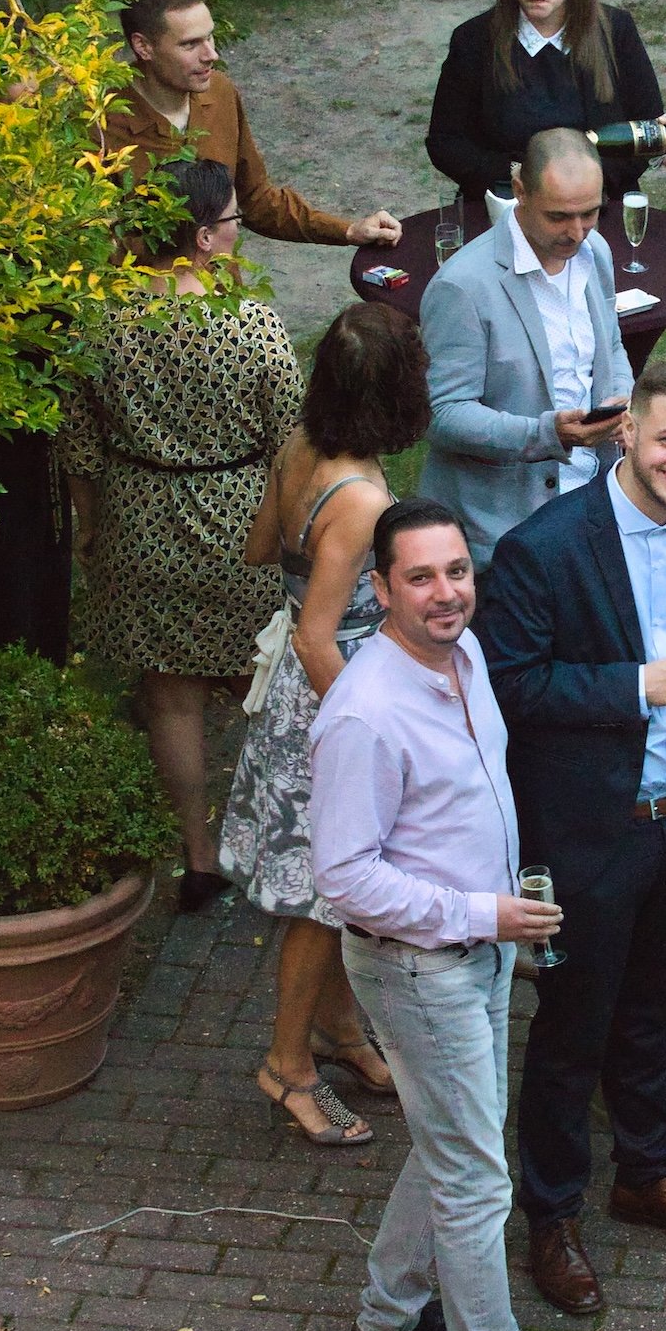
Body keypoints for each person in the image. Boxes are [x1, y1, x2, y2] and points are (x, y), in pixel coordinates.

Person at [308, 497, 630, 1331]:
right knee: (476, 1185)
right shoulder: (363, 712)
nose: (445, 592)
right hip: (420, 968)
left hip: (477, 954)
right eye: (420, 577)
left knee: (455, 1143)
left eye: (456, 571)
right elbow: (345, 877)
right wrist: (481, 915)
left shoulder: (467, 655)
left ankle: (387, 1316)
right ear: (380, 590)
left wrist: (498, 917)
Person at [477, 362, 666, 1318]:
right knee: (570, 1032)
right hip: (597, 833)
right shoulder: (544, 549)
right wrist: (634, 687)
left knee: (649, 1011)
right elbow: (510, 688)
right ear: (626, 434)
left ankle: (645, 1175)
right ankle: (549, 1217)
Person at [57, 160, 302, 909]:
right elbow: (289, 433)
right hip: (241, 525)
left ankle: (199, 858)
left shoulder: (101, 319)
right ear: (201, 237)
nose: (239, 234)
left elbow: (77, 439)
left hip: (138, 519)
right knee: (263, 686)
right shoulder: (250, 321)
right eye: (233, 223)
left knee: (169, 699)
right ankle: (285, 841)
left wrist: (90, 524)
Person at [220, 301, 432, 1149]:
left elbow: (257, 548)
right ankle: (287, 1066)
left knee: (329, 892)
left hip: (289, 704)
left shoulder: (298, 448)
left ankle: (342, 1033)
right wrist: (362, 737)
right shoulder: (365, 500)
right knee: (321, 897)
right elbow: (317, 634)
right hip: (330, 697)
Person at [419, 128, 631, 567]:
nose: (576, 233)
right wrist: (547, 434)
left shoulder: (597, 253)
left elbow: (610, 343)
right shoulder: (463, 287)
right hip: (505, 534)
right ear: (519, 191)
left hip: (592, 502)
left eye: (590, 213)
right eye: (559, 217)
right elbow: (442, 414)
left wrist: (622, 401)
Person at [101, 0, 402, 247]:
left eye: (210, 38)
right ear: (143, 46)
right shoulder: (100, 124)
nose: (211, 55)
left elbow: (256, 200)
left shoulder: (219, 93)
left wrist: (347, 230)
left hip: (225, 296)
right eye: (190, 44)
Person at [426, 0, 665, 204]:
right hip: (506, 205)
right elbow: (446, 142)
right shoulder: (474, 40)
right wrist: (521, 175)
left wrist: (586, 182)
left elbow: (650, 131)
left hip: (600, 205)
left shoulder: (616, 31)